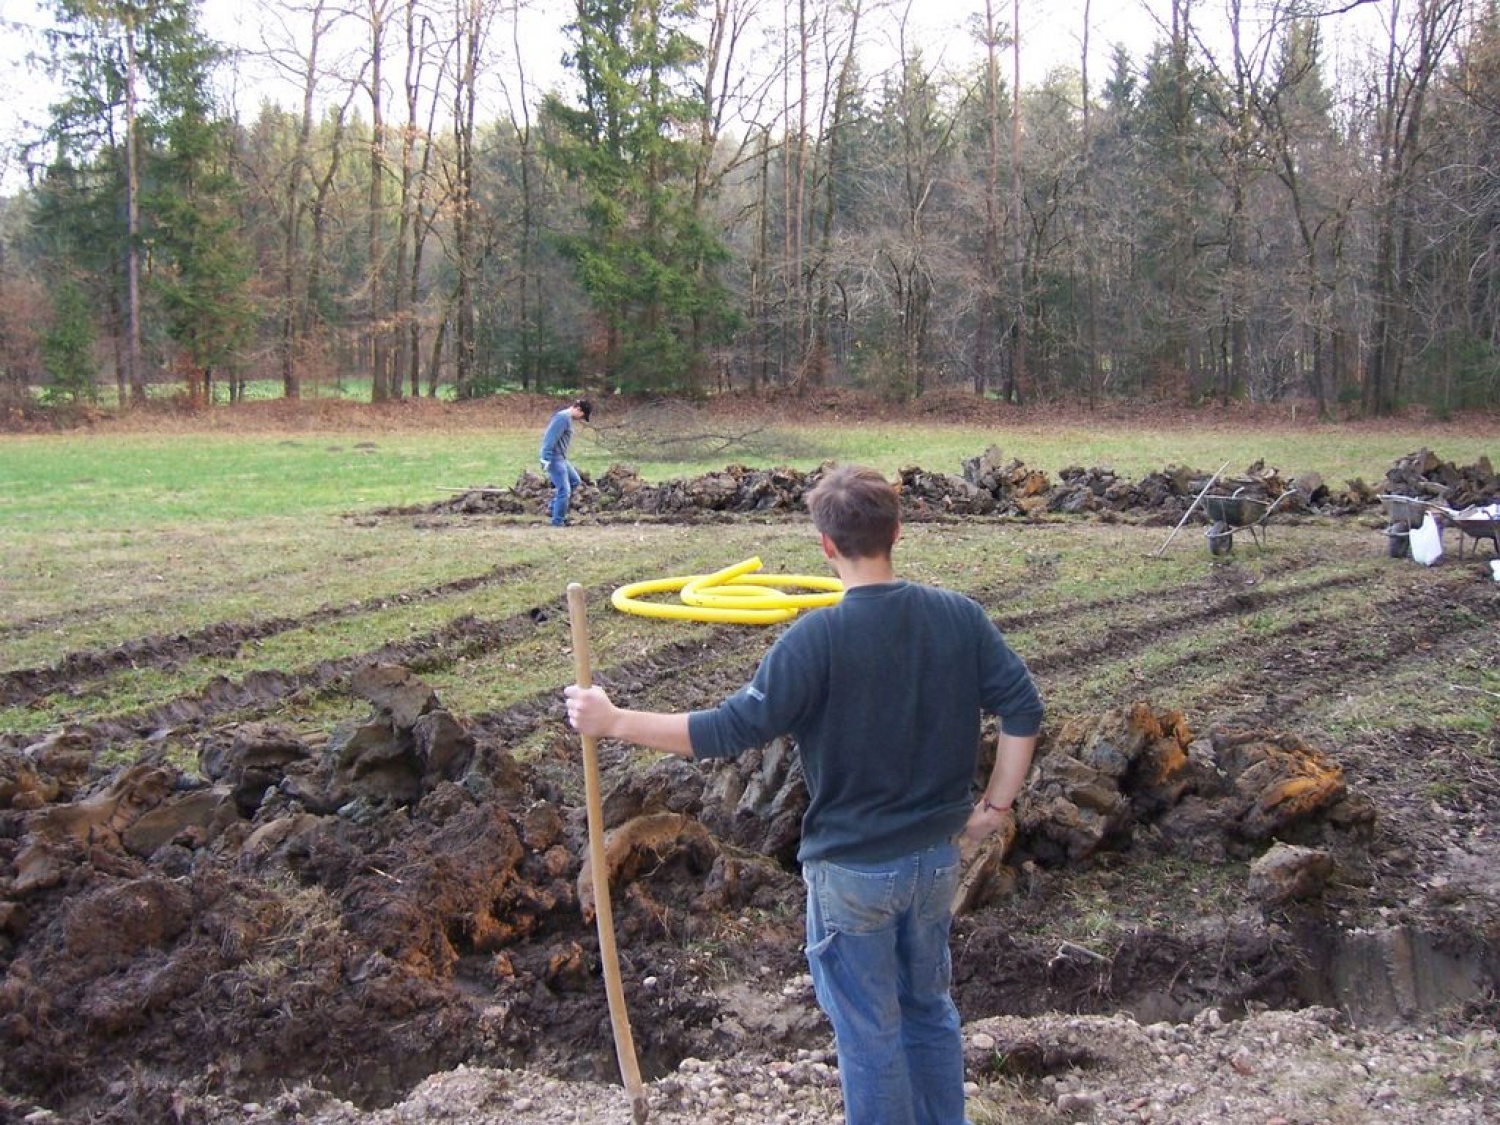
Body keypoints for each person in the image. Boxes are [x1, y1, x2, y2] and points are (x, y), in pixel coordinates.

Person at [564, 464, 1043, 1125]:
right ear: (897, 532)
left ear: (824, 544)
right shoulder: (958, 617)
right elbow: (1023, 707)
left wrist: (614, 720)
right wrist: (995, 805)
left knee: (871, 1031)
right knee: (928, 1009)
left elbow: (727, 729)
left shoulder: (815, 640)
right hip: (936, 860)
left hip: (852, 873)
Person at [539, 398, 592, 526]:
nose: (580, 419)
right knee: (564, 490)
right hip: (554, 458)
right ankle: (557, 521)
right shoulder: (562, 418)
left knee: (575, 481)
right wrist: (545, 458)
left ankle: (553, 508)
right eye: (582, 416)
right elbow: (549, 438)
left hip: (562, 458)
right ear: (578, 409)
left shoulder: (567, 418)